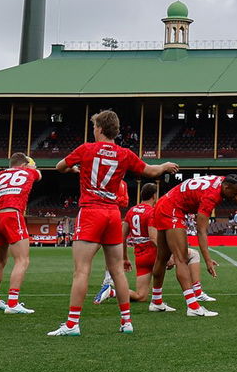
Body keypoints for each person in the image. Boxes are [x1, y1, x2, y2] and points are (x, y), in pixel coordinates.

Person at [46, 110, 177, 336]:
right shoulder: (124, 153)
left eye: (94, 126)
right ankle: (126, 322)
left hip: (91, 212)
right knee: (117, 270)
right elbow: (149, 170)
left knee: (81, 270)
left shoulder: (85, 149)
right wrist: (164, 166)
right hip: (113, 214)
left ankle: (72, 324)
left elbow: (59, 166)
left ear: (99, 128)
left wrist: (73, 168)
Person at [151, 173, 237, 317]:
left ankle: (156, 301)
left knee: (162, 257)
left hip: (165, 203)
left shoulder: (225, 182)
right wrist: (208, 260)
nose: (235, 196)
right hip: (172, 209)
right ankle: (193, 306)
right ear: (226, 187)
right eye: (233, 193)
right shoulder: (211, 196)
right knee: (181, 259)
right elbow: (201, 231)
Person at [0, 152, 41, 314]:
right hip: (12, 214)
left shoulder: (1, 175)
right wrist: (32, 166)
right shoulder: (29, 171)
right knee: (22, 260)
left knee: (1, 260)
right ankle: (13, 303)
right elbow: (39, 174)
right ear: (23, 165)